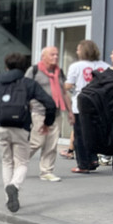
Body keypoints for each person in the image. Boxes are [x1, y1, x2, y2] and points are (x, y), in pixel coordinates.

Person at [0, 53, 56, 213]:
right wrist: (47, 123)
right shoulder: (28, 83)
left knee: (7, 161)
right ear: (24, 67)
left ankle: (9, 199)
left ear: (6, 66)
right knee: (22, 162)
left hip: (1, 126)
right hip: (21, 127)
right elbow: (50, 103)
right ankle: (14, 186)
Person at [24, 46, 74, 181]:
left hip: (56, 113)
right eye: (52, 54)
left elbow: (64, 92)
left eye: (57, 54)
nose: (56, 57)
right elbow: (24, 90)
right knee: (36, 142)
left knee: (51, 144)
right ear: (43, 56)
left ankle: (46, 171)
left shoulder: (59, 72)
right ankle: (18, 164)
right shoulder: (34, 71)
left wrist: (70, 112)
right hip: (39, 112)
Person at [65, 39, 110, 173]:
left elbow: (69, 84)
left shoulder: (76, 66)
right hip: (101, 105)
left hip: (81, 105)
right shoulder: (105, 66)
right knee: (96, 134)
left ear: (83, 51)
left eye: (78, 49)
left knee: (81, 135)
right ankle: (94, 159)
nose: (77, 51)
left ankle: (83, 164)